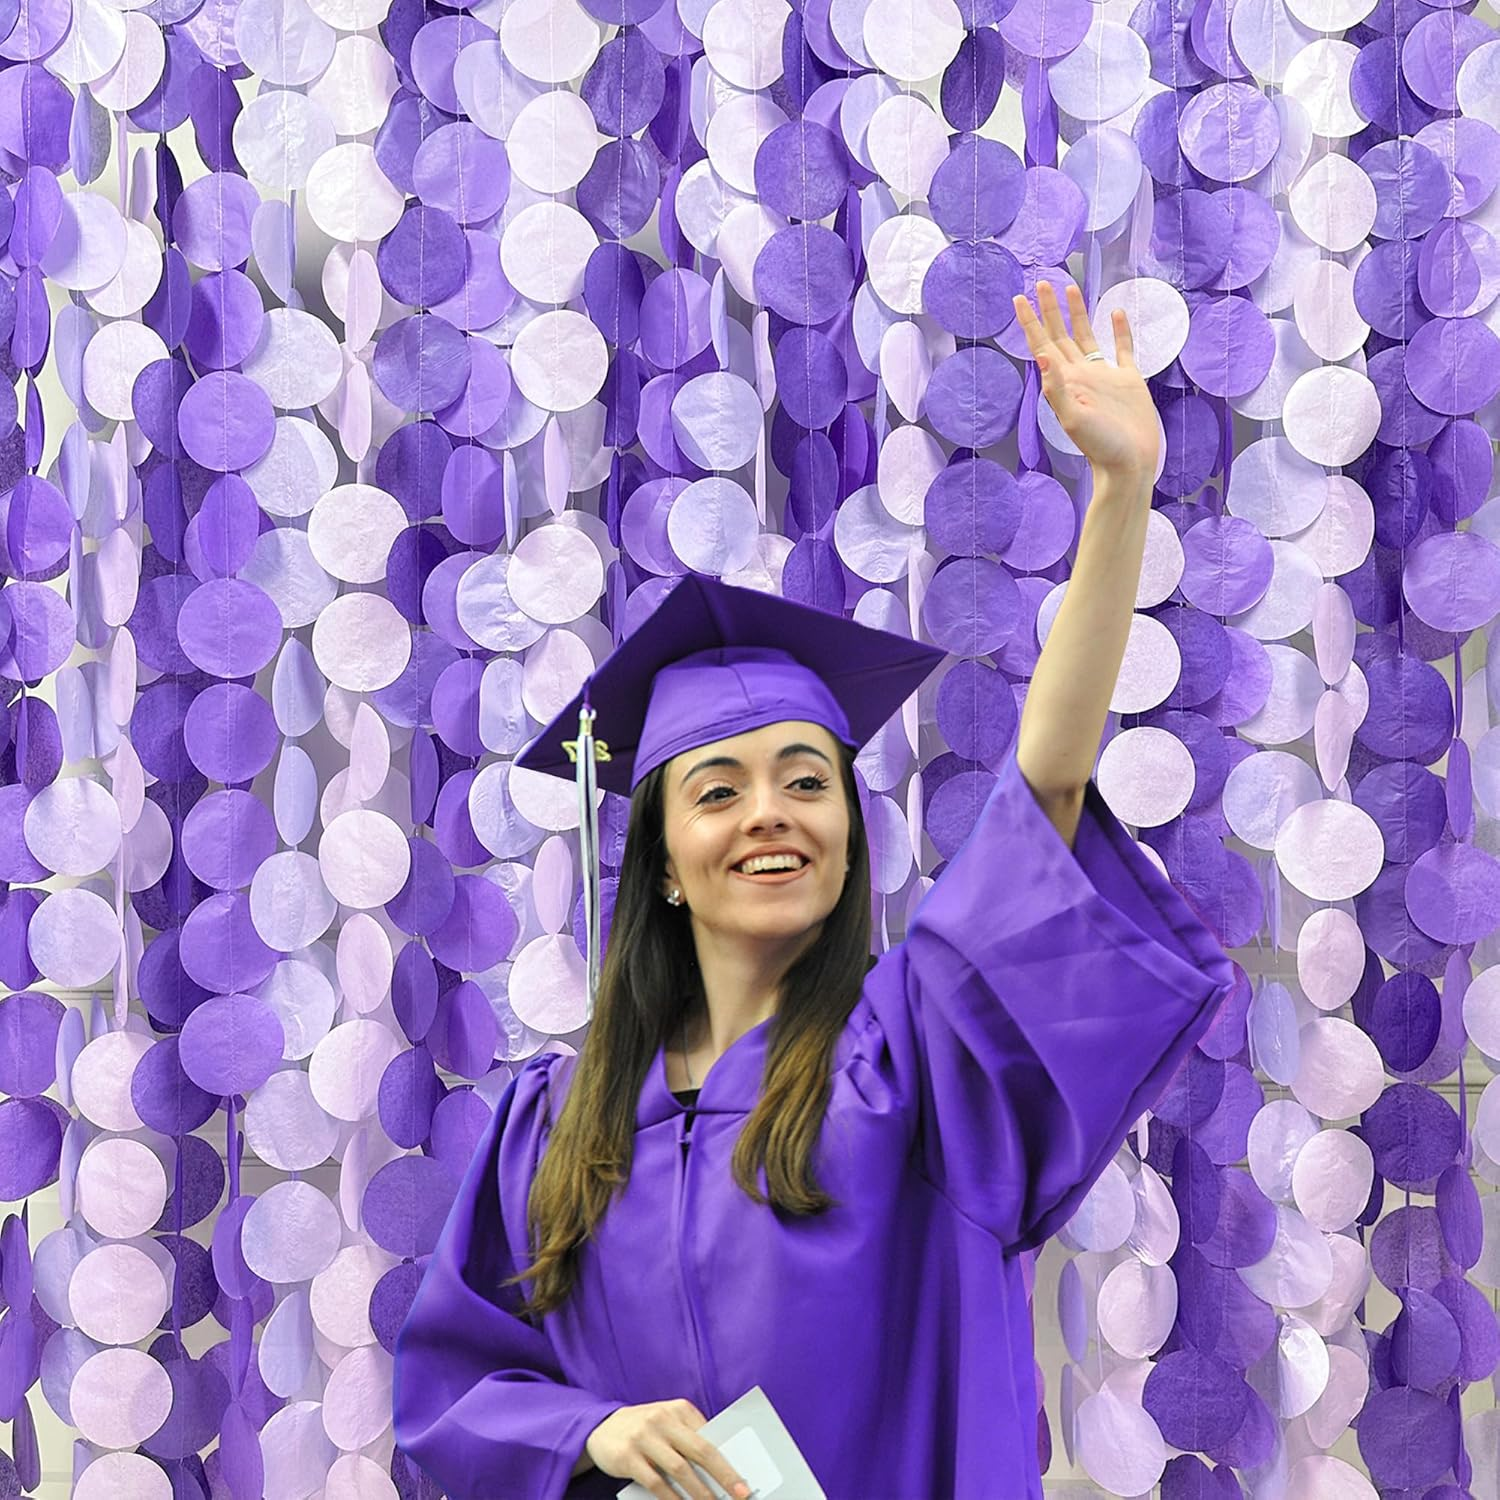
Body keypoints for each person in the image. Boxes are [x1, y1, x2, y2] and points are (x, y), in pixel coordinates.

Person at [391, 284, 1239, 1499]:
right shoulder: (555, 1125)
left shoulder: (916, 1061)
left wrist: (1119, 497)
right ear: (665, 863)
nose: (770, 814)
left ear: (847, 834)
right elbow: (454, 1395)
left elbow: (1043, 793)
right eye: (718, 792)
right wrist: (592, 1434)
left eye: (806, 780)